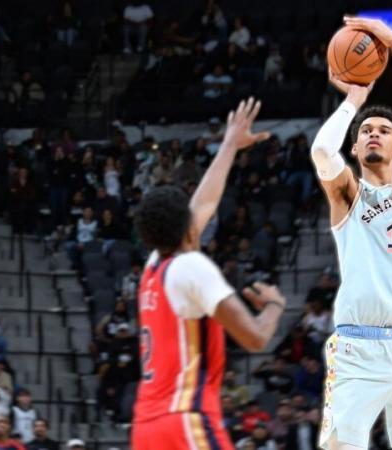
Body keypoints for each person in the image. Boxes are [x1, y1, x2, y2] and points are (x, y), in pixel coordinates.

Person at [310, 16, 392, 450]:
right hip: (357, 349)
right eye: (366, 130)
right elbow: (320, 150)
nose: (373, 133)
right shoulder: (348, 194)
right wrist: (354, 99)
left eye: (383, 130)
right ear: (356, 147)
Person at [131, 98, 286, 450]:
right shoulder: (192, 268)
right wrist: (274, 306)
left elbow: (202, 205)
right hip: (185, 420)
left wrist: (230, 144)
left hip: (146, 427)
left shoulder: (154, 266)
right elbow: (255, 339)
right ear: (188, 229)